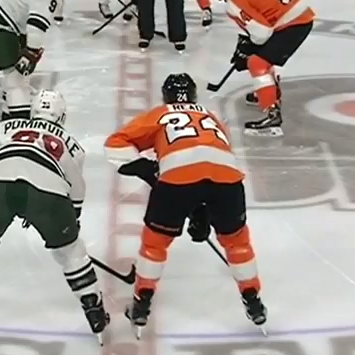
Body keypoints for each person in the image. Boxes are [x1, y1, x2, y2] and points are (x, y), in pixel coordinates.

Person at [104, 73, 267, 335]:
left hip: (177, 179)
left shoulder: (160, 114)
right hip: (228, 179)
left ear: (165, 96)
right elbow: (209, 160)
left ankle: (141, 303)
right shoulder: (212, 117)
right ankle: (253, 300)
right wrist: (203, 210)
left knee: (155, 244)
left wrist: (147, 169)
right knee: (237, 242)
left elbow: (115, 144)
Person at [0, 90, 111, 341]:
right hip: (48, 193)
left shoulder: (9, 127)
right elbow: (77, 188)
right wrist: (71, 220)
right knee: (71, 253)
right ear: (61, 116)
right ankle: (94, 310)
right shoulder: (74, 147)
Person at [201, 0, 316, 135]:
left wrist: (247, 51)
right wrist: (245, 45)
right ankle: (268, 92)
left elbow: (262, 34)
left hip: (294, 22)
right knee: (264, 55)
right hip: (296, 13)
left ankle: (272, 112)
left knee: (257, 63)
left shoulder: (233, 4)